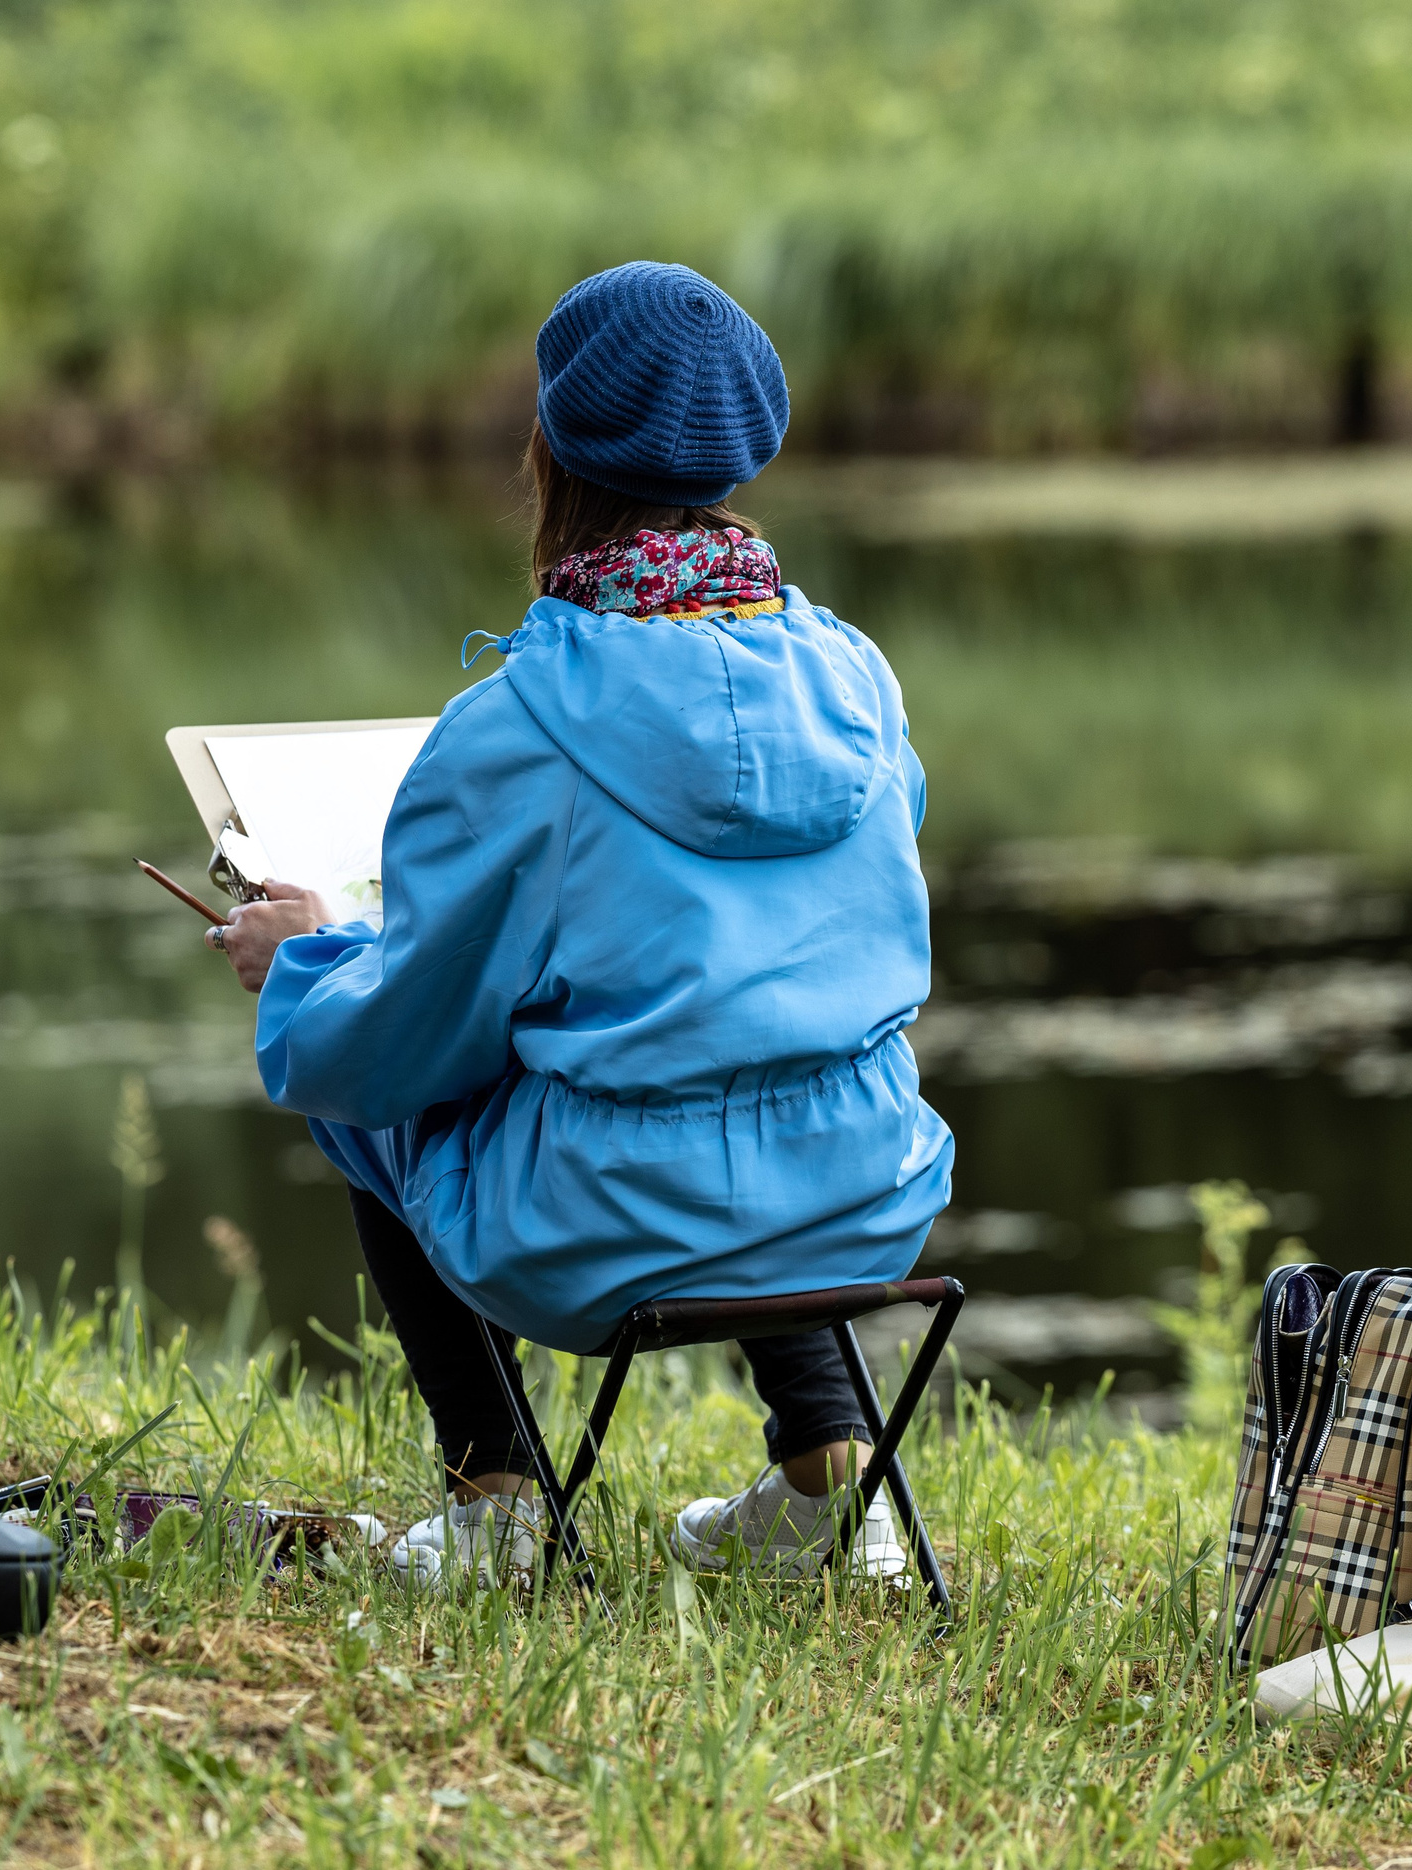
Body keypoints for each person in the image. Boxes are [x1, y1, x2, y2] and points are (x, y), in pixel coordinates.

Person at [214, 262, 955, 1586]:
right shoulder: (858, 674)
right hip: (867, 1196)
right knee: (750, 1057)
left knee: (370, 1091)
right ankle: (834, 1491)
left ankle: (498, 1506)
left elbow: (399, 1046)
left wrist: (308, 959)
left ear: (547, 448)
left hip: (603, 1232)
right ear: (748, 449)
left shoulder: (512, 726)